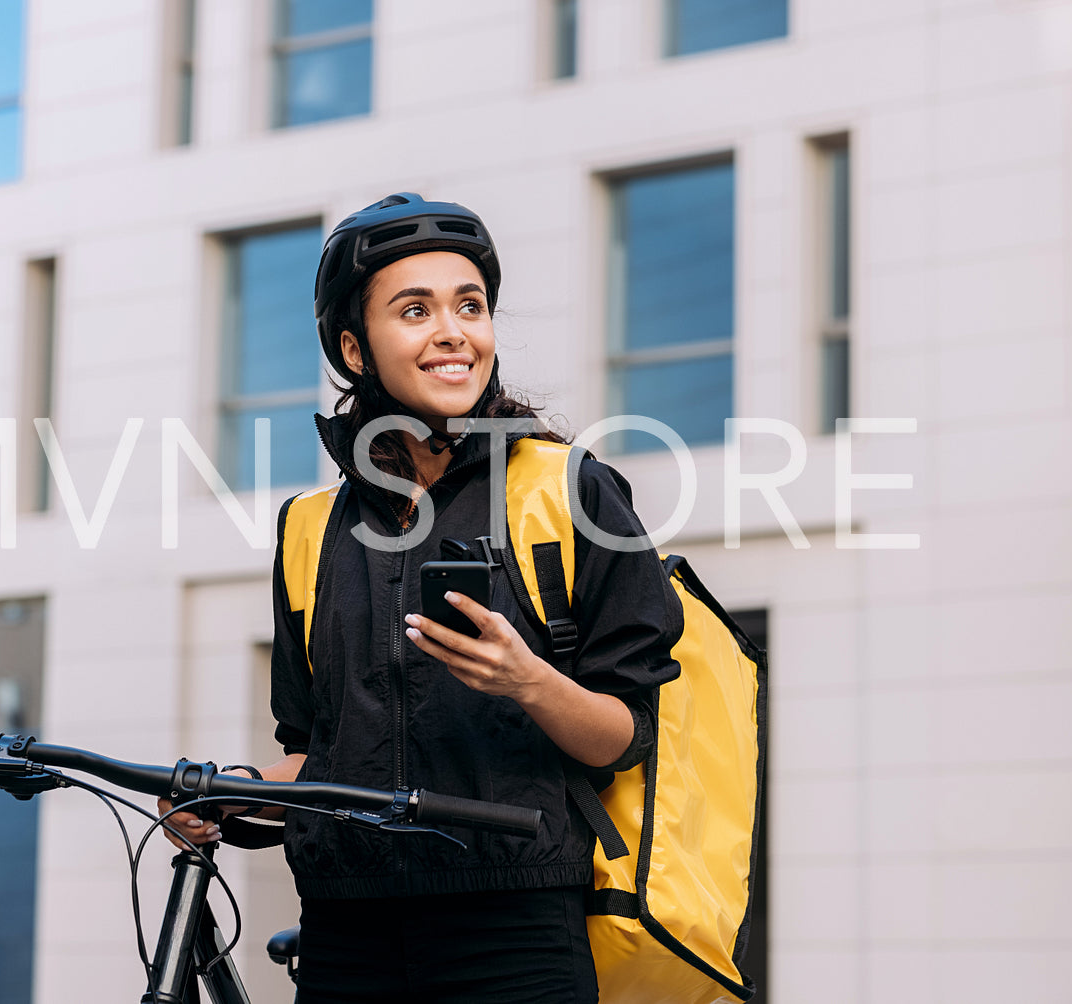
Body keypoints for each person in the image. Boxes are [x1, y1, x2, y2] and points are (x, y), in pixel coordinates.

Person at [162, 193, 683, 1003]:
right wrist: (232, 797)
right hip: (345, 934)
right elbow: (317, 755)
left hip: (514, 932)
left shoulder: (566, 490)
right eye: (415, 310)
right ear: (354, 348)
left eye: (469, 306)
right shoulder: (308, 530)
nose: (454, 332)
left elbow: (623, 736)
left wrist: (526, 680)